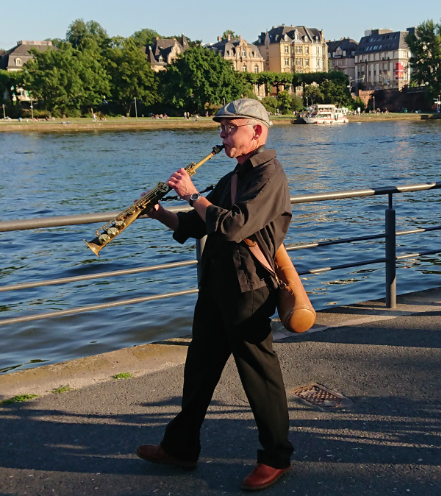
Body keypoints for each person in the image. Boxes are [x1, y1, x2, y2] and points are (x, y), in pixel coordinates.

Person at [136, 98, 294, 491]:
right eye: (220, 128)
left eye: (229, 127)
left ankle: (276, 458)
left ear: (257, 130)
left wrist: (192, 194)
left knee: (260, 377)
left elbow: (234, 226)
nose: (222, 135)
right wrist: (159, 213)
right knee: (199, 373)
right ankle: (180, 449)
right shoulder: (233, 176)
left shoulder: (270, 175)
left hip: (250, 290)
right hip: (216, 288)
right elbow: (199, 224)